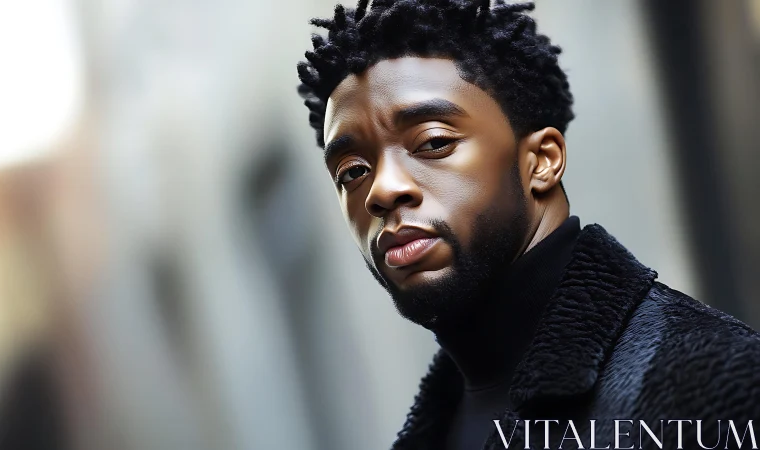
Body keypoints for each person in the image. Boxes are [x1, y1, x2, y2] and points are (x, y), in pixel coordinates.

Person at [296, 1, 760, 449]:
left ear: (541, 161)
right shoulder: (442, 422)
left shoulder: (720, 382)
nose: (381, 191)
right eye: (353, 171)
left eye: (433, 142)